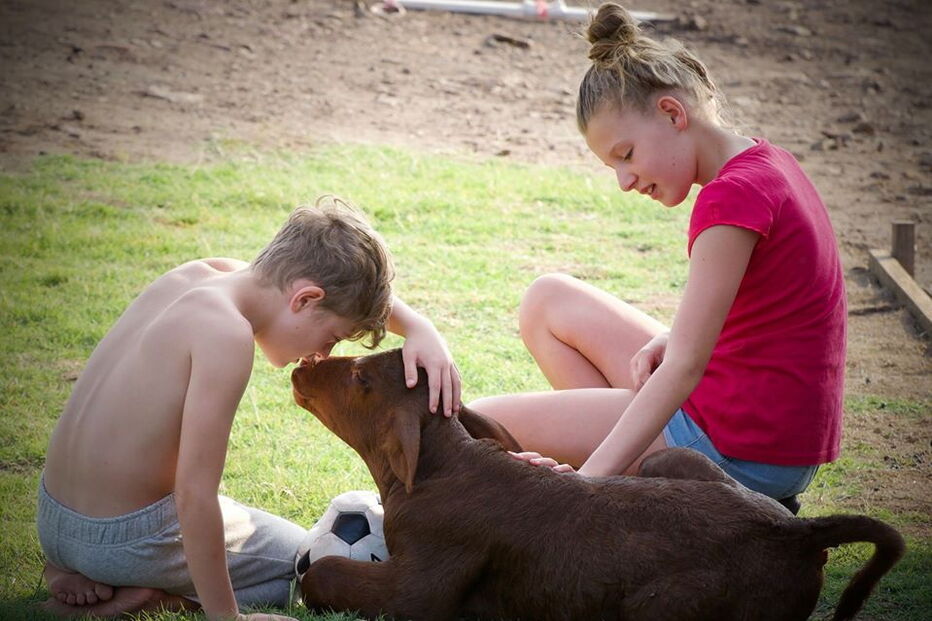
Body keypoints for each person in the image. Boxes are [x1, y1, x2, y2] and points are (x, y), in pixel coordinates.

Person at [470, 2, 846, 507]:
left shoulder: (731, 197)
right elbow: (768, 308)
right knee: (548, 300)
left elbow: (685, 367)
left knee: (477, 422)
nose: (624, 182)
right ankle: (625, 472)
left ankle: (609, 485)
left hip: (738, 452)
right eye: (612, 167)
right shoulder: (766, 161)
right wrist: (671, 336)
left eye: (625, 155)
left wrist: (585, 487)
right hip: (762, 432)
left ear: (672, 112)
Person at [38, 196, 461, 620]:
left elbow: (339, 282)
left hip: (55, 519)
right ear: (305, 299)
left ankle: (71, 569)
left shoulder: (200, 275)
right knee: (305, 562)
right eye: (332, 336)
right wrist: (230, 618)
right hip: (123, 538)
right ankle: (143, 597)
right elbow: (194, 495)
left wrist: (421, 328)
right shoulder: (225, 337)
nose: (322, 354)